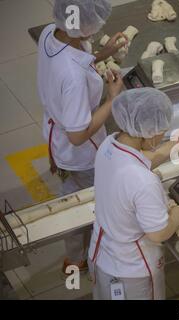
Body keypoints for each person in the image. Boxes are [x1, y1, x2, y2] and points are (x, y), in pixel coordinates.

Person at [37, 0, 128, 275]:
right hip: (81, 153)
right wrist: (111, 100)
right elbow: (77, 135)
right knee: (92, 203)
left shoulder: (49, 33)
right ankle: (96, 259)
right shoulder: (74, 77)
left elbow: (72, 58)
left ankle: (74, 259)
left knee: (71, 195)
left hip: (56, 137)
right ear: (87, 27)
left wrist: (102, 54)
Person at [88, 88, 179, 300]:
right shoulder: (143, 182)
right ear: (148, 132)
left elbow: (144, 160)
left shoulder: (109, 145)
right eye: (162, 130)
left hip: (102, 254)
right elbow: (157, 234)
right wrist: (176, 218)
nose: (163, 135)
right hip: (131, 272)